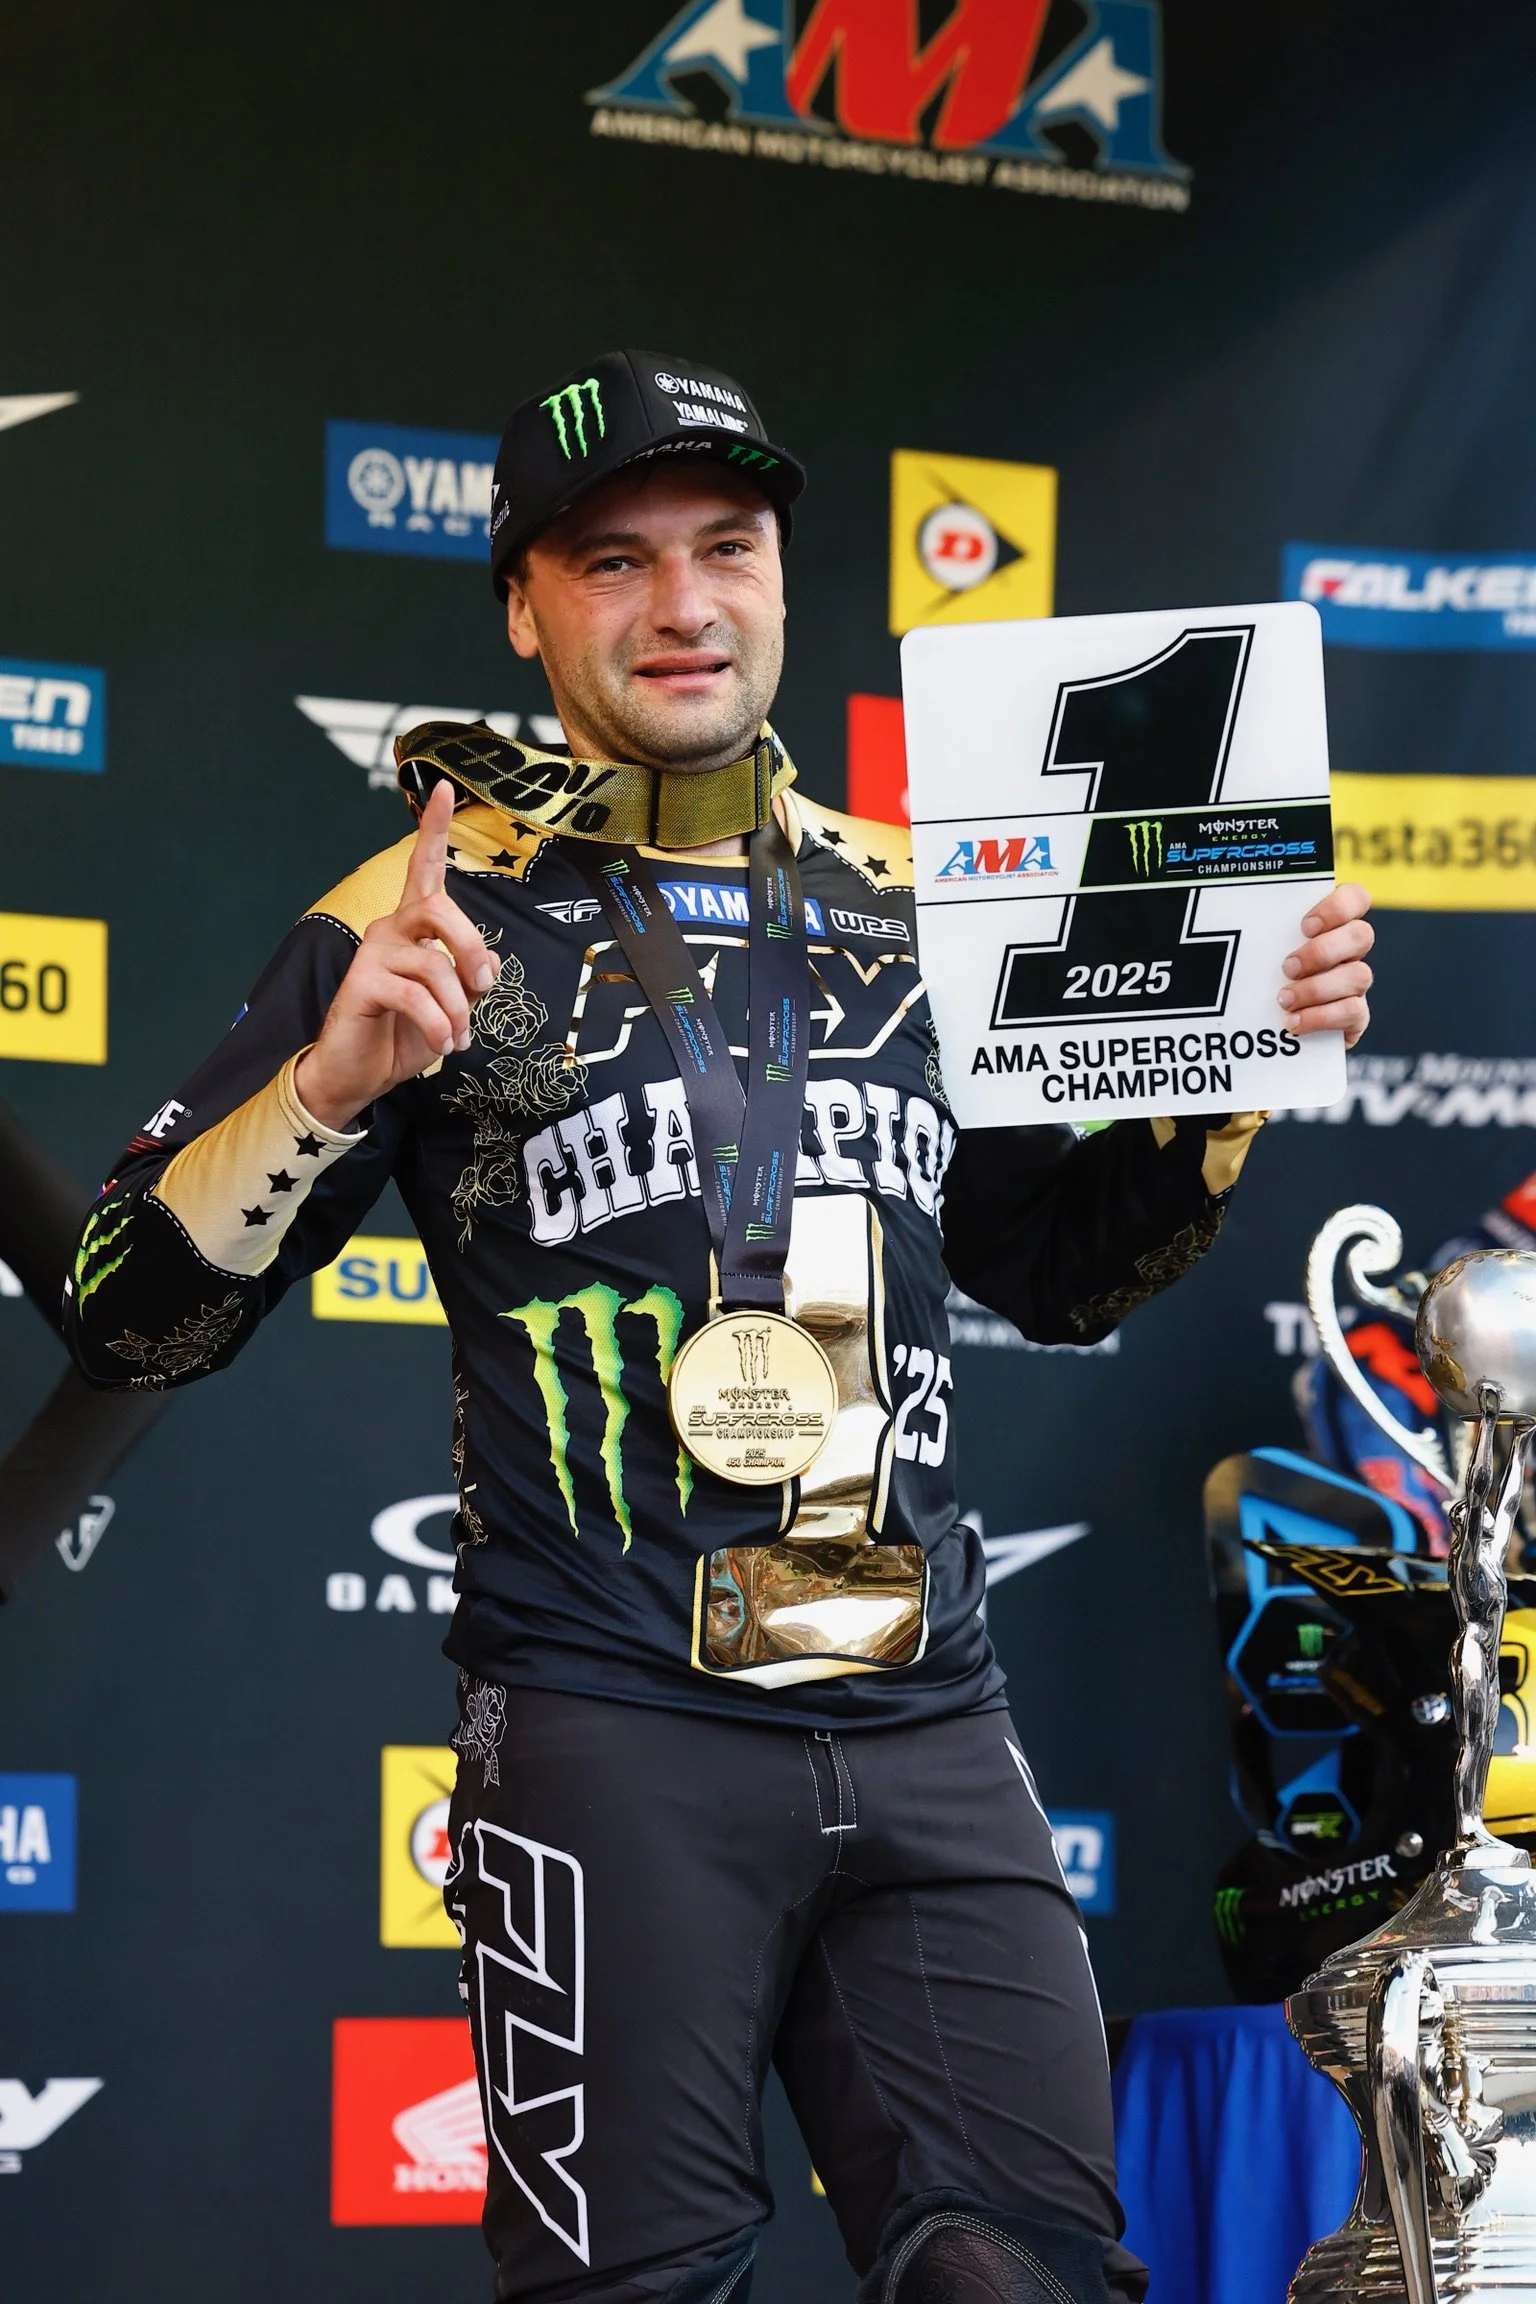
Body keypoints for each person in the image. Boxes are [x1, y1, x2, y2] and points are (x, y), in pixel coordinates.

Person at [65, 350, 1374, 2304]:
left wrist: (1223, 1083)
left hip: (932, 1718)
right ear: (524, 602)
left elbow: (1053, 1274)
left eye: (725, 548)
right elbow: (131, 1320)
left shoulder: (926, 905)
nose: (681, 603)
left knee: (1027, 2277)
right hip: (613, 1738)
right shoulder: (424, 919)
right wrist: (328, 1091)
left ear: (779, 575)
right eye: (614, 560)